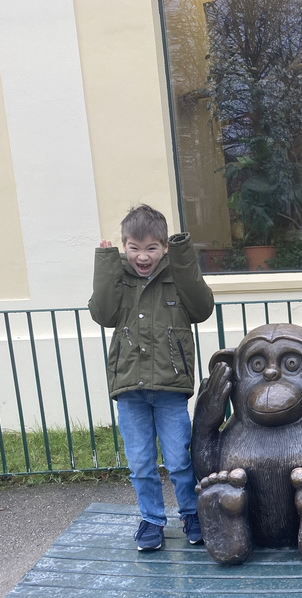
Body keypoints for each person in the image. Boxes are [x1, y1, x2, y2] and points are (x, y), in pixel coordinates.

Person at [89, 204, 215, 551]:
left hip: (169, 388)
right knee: (141, 463)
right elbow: (103, 313)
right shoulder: (120, 278)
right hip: (130, 389)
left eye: (151, 248)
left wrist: (184, 256)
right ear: (124, 246)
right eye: (134, 248)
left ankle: (191, 513)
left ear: (164, 248)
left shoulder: (177, 277)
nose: (142, 256)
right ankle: (151, 520)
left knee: (179, 460)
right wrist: (105, 263)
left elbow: (202, 308)